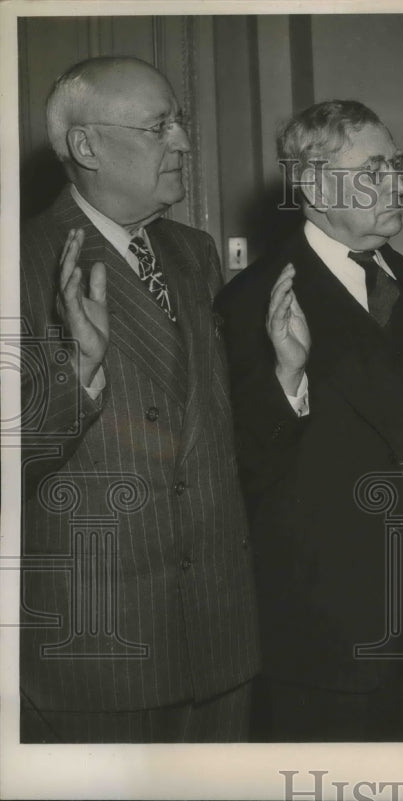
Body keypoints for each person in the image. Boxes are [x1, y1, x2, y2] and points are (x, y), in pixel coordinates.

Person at [215, 100, 403, 740]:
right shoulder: (252, 301)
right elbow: (245, 467)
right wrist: (288, 376)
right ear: (312, 184)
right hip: (344, 635)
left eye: (398, 165)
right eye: (373, 171)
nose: (397, 184)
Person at [19, 56, 259, 742]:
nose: (183, 141)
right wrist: (78, 376)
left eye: (179, 122)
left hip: (219, 640)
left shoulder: (194, 252)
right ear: (87, 145)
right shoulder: (22, 259)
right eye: (160, 127)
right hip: (101, 653)